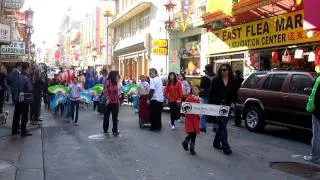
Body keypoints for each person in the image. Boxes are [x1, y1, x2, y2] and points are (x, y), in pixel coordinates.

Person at [208, 64, 236, 155]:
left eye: (225, 69)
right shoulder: (215, 80)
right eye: (221, 70)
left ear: (229, 70)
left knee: (222, 126)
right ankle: (226, 147)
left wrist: (233, 102)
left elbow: (234, 93)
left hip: (228, 106)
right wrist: (212, 106)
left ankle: (216, 143)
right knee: (223, 126)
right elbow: (211, 94)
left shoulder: (233, 81)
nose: (223, 71)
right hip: (218, 106)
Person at [12, 63, 33, 137]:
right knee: (24, 115)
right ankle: (23, 132)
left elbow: (14, 87)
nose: (30, 70)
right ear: (26, 69)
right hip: (24, 99)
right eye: (29, 69)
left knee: (17, 115)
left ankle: (14, 130)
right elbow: (30, 88)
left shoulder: (18, 76)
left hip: (18, 98)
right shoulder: (25, 77)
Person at [305, 75, 320, 163]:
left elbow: (313, 96)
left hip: (318, 112)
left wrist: (310, 108)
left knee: (317, 134)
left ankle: (315, 156)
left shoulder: (319, 80)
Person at [182, 85, 201, 155]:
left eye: (196, 89)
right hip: (190, 118)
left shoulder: (200, 99)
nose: (194, 91)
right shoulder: (189, 98)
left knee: (194, 133)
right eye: (193, 89)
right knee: (192, 132)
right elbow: (185, 108)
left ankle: (190, 146)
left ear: (199, 90)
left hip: (196, 118)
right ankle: (187, 143)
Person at [103, 71, 120, 136]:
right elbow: (106, 91)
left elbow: (116, 93)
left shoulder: (115, 82)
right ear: (113, 75)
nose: (118, 76)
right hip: (108, 102)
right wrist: (108, 98)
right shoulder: (108, 81)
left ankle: (115, 130)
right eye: (117, 75)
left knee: (115, 117)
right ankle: (105, 129)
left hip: (115, 102)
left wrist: (118, 100)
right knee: (107, 116)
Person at [200, 64, 215, 133]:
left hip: (206, 96)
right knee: (214, 111)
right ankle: (215, 127)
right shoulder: (216, 76)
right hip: (214, 96)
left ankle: (203, 127)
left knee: (204, 111)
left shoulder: (204, 78)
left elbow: (202, 87)